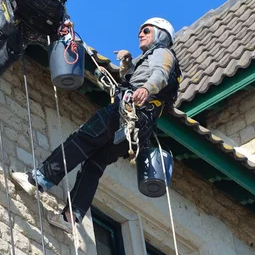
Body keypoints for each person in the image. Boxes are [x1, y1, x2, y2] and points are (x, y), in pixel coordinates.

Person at [11, 18, 182, 232]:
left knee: (81, 140)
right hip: (138, 129)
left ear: (161, 35)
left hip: (126, 113)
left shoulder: (163, 53)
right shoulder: (151, 57)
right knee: (94, 164)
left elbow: (160, 74)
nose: (140, 34)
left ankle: (39, 180)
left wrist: (147, 88)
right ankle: (71, 216)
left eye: (146, 30)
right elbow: (136, 80)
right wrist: (127, 65)